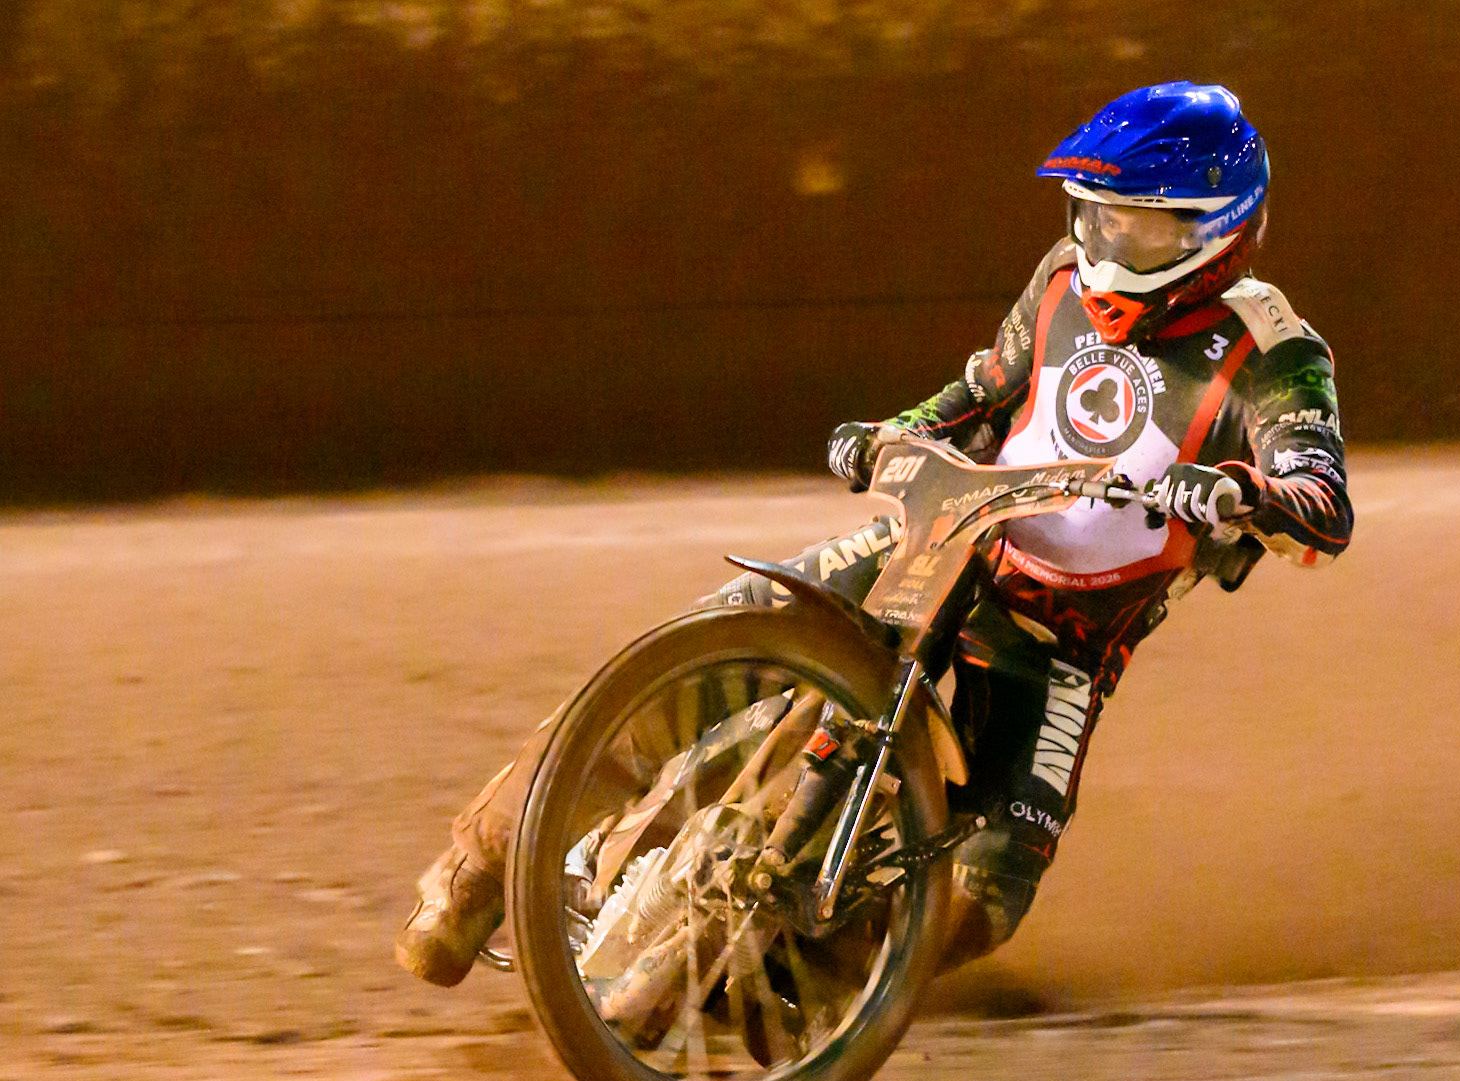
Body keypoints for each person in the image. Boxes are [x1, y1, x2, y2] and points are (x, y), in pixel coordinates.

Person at [395, 81, 1352, 988]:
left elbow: (1323, 500)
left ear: (1213, 229)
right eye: (1097, 213)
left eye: (1137, 222)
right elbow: (980, 392)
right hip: (946, 543)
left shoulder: (1276, 354)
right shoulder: (1060, 280)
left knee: (983, 892)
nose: (1107, 237)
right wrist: (894, 432)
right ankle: (477, 868)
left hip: (1062, 642)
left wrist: (1236, 491)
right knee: (711, 644)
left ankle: (795, 999)